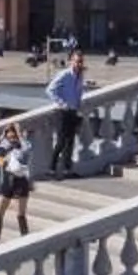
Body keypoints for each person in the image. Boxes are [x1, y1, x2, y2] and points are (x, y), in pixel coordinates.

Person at [45, 49, 88, 178]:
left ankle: (67, 169)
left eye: (80, 62)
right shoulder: (64, 75)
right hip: (62, 112)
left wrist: (78, 105)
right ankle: (51, 168)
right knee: (61, 141)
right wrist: (62, 103)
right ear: (71, 62)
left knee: (70, 141)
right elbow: (50, 90)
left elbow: (79, 92)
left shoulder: (80, 76)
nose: (78, 64)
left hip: (73, 111)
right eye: (76, 61)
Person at [0, 122, 35, 236]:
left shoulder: (24, 147)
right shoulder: (6, 148)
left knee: (20, 215)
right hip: (7, 183)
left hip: (20, 183)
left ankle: (25, 238)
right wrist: (2, 136)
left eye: (13, 137)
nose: (12, 140)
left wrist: (19, 135)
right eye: (9, 138)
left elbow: (26, 150)